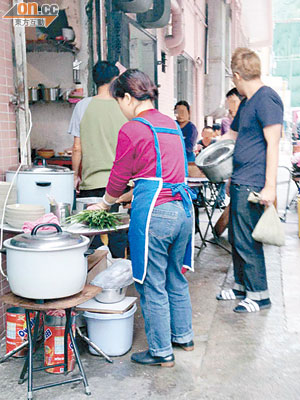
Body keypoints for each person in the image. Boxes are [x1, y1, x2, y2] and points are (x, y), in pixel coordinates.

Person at [88, 69, 195, 367]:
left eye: (117, 102)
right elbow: (162, 172)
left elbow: (119, 175)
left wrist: (106, 203)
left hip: (156, 215)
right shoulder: (171, 125)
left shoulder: (134, 128)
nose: (120, 109)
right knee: (175, 277)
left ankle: (161, 351)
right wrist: (128, 195)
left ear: (126, 97)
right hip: (184, 212)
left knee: (150, 282)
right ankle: (183, 337)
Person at [216, 48, 283, 313]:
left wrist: (269, 186)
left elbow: (274, 144)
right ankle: (242, 286)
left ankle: (259, 294)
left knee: (248, 239)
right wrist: (208, 147)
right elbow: (232, 137)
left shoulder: (267, 99)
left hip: (254, 182)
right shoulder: (247, 102)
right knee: (236, 236)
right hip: (240, 179)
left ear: (237, 75)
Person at [68, 61, 128, 258]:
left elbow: (77, 148)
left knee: (91, 235)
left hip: (91, 183)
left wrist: (76, 175)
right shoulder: (124, 106)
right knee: (118, 235)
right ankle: (118, 282)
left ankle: (91, 281)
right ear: (115, 79)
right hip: (120, 185)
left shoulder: (82, 106)